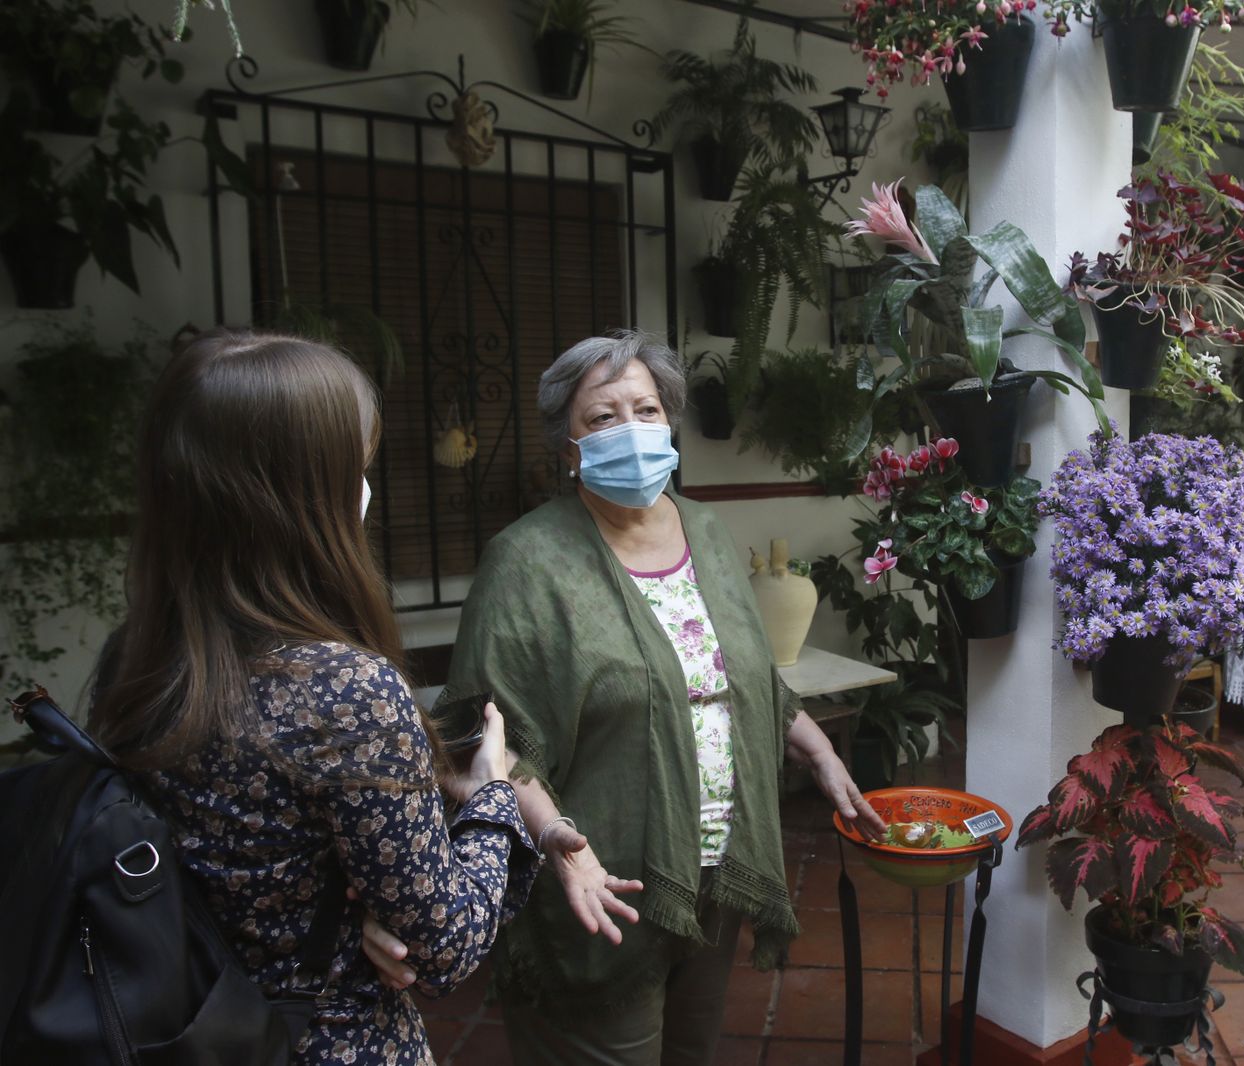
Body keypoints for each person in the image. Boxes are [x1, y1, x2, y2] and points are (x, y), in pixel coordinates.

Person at [436, 329, 888, 1065]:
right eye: (603, 418)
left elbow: (741, 673)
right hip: (599, 880)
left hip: (712, 865)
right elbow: (487, 735)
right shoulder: (525, 562)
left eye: (646, 410)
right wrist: (559, 843)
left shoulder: (704, 528)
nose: (633, 431)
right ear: (569, 447)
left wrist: (817, 749)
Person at [89, 329, 539, 1065]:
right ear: (301, 495)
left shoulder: (136, 661)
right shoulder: (342, 691)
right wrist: (492, 800)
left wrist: (356, 901)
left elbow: (247, 864)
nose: (366, 488)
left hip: (185, 1029)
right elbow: (449, 943)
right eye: (357, 466)